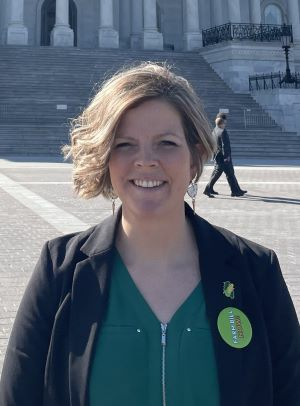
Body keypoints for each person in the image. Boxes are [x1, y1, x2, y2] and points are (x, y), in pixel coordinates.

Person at [1, 63, 300, 406]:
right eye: (125, 144)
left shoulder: (256, 271)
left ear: (195, 158)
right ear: (105, 158)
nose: (145, 161)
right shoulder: (61, 270)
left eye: (167, 143)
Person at [203, 113, 247, 198]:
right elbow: (225, 145)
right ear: (222, 122)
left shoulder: (214, 130)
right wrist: (226, 157)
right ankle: (207, 189)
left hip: (217, 156)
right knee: (218, 174)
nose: (225, 123)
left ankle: (236, 190)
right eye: (224, 122)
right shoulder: (223, 131)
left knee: (230, 173)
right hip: (223, 158)